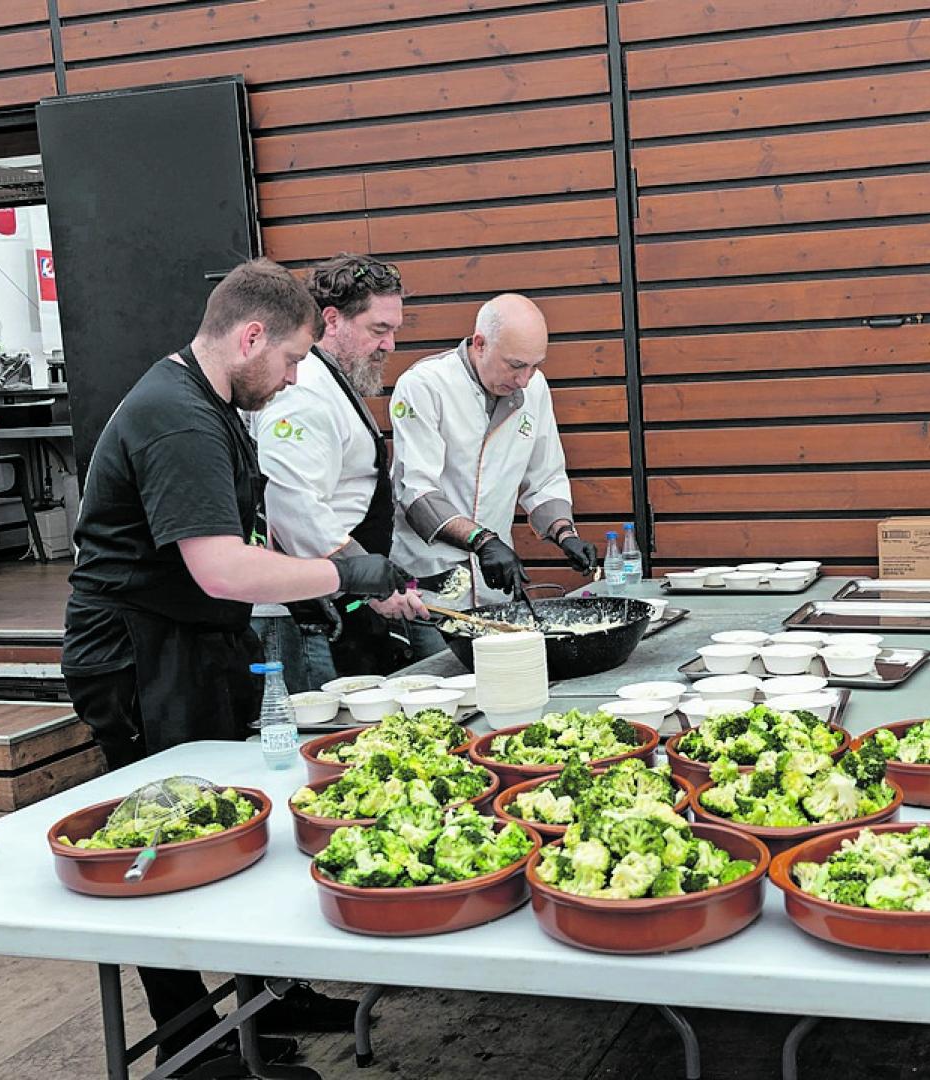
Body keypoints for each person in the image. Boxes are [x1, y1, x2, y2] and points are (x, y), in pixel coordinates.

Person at [62, 259, 411, 1074]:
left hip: (195, 640)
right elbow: (221, 568)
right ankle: (195, 1049)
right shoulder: (179, 416)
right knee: (158, 846)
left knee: (237, 822)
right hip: (138, 654)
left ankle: (267, 1004)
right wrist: (343, 573)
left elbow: (238, 546)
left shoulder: (212, 401)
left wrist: (300, 594)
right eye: (291, 359)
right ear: (249, 336)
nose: (294, 379)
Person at [249, 254, 430, 689]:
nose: (390, 345)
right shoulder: (303, 391)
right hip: (307, 615)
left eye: (394, 331)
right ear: (332, 320)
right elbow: (291, 504)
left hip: (341, 599)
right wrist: (362, 575)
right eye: (378, 330)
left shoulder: (330, 381)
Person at [389, 293, 599, 633]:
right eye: (516, 365)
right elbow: (417, 492)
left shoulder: (534, 388)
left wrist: (565, 533)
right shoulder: (424, 385)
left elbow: (544, 478)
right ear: (480, 343)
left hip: (494, 588)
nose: (524, 380)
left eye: (536, 366)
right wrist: (483, 540)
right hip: (430, 590)